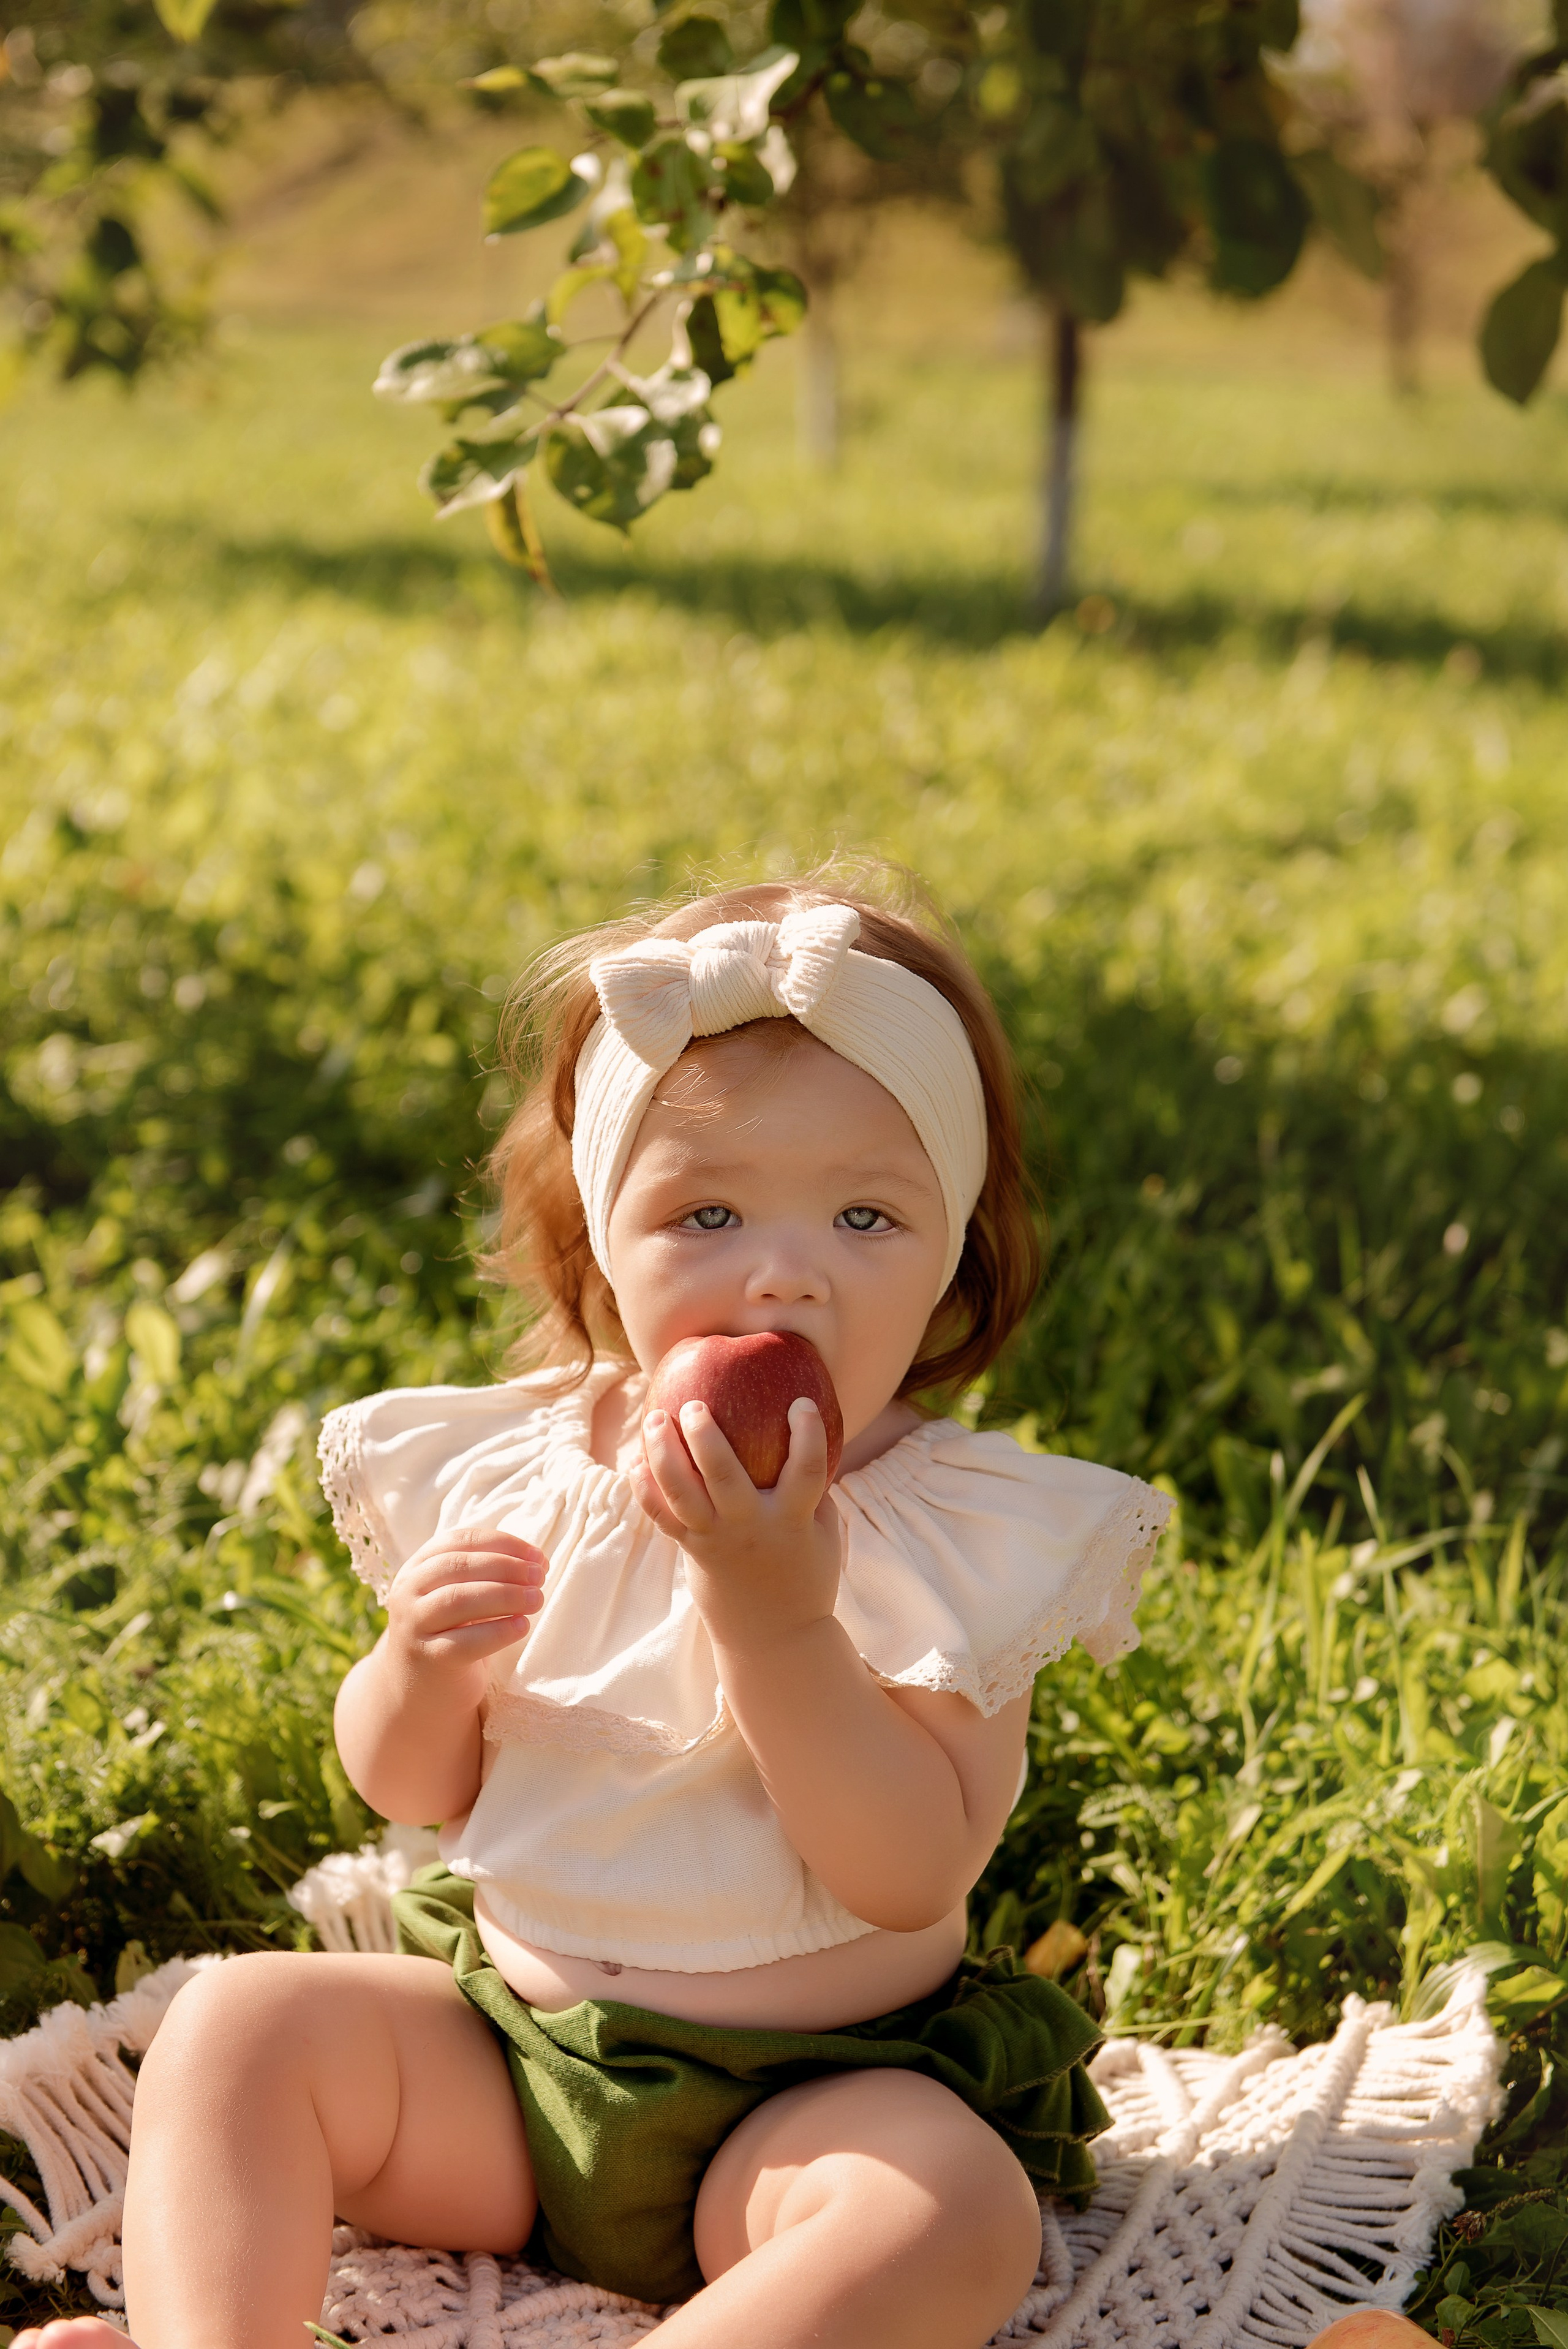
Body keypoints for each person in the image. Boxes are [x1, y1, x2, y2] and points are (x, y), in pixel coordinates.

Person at [18, 870, 1170, 2349]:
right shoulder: (525, 1468)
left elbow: (905, 1867)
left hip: (805, 2105)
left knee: (951, 2211)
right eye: (705, 1209)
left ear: (954, 1257)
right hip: (506, 2065)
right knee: (241, 2025)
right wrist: (418, 1666)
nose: (783, 1271)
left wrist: (775, 1624)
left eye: (866, 1214)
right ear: (598, 1239)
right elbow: (411, 1787)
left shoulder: (948, 1534)